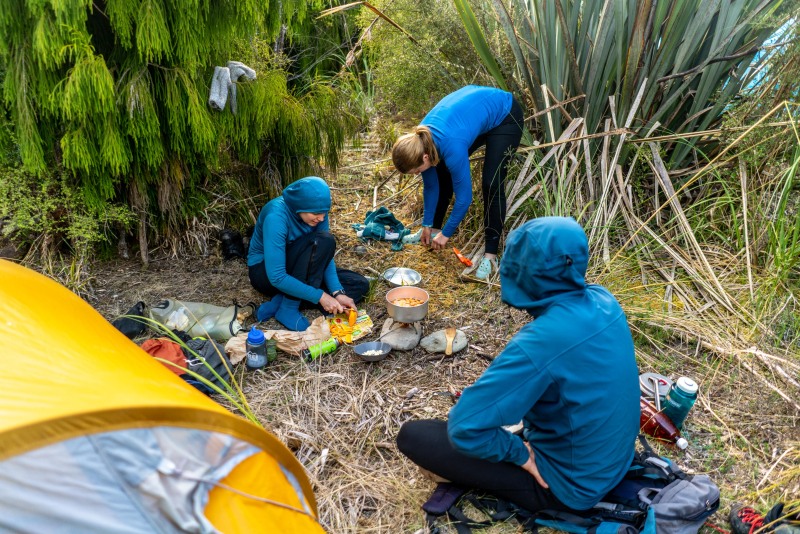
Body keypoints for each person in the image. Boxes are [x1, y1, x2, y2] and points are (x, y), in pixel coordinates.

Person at [396, 217, 640, 514]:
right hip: (614, 461)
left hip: (569, 488)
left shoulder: (540, 343)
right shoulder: (605, 301)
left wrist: (520, 453)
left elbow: (465, 427)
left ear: (521, 272)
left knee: (414, 436)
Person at [391, 85, 524, 280]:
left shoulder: (450, 145)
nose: (418, 174)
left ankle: (490, 256)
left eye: (417, 170)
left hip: (505, 116)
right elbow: (431, 186)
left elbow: (464, 198)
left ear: (425, 156)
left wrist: (447, 234)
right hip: (472, 118)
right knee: (440, 172)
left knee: (491, 183)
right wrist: (427, 223)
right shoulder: (420, 141)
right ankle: (432, 230)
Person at [247, 176, 369, 331]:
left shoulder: (318, 215)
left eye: (325, 212)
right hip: (266, 273)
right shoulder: (276, 217)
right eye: (316, 213)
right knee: (322, 241)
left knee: (359, 284)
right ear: (300, 206)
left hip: (301, 266)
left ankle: (281, 300)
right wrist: (322, 297)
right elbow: (277, 276)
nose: (322, 218)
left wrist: (337, 292)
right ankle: (288, 308)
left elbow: (324, 254)